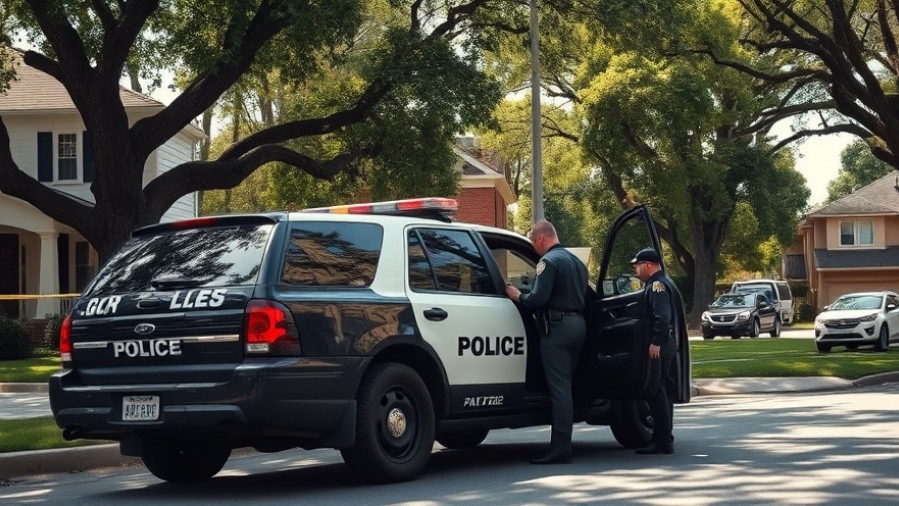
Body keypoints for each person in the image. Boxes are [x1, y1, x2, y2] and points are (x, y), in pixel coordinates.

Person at [505, 220, 588, 464]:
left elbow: (538, 299)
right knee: (565, 386)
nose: (535, 247)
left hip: (558, 329)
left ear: (541, 239)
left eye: (533, 242)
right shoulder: (576, 262)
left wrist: (517, 295)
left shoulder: (548, 262)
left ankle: (560, 448)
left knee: (559, 390)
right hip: (578, 325)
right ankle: (563, 443)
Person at [629, 247, 679, 455]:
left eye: (638, 265)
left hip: (660, 344)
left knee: (656, 391)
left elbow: (663, 317)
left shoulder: (657, 285)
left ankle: (661, 439)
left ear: (648, 265)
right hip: (666, 344)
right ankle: (665, 436)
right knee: (663, 391)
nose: (636, 270)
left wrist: (656, 341)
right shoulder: (664, 282)